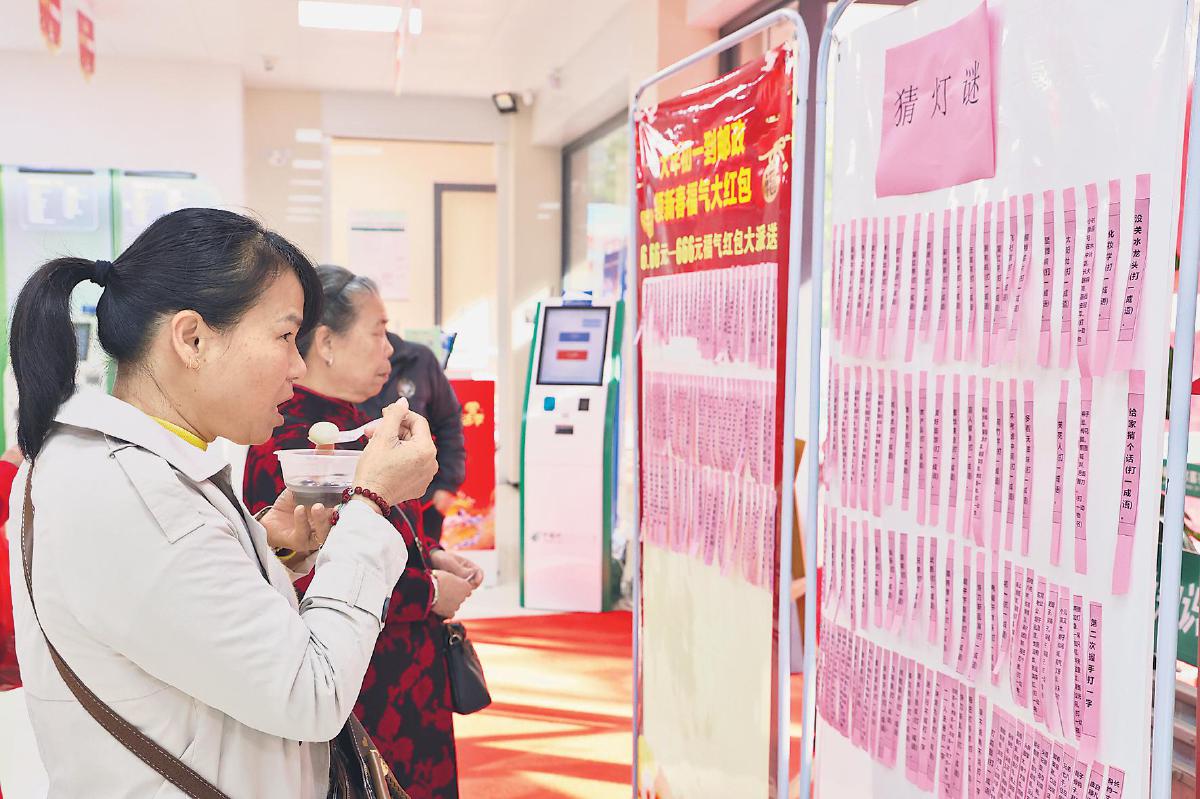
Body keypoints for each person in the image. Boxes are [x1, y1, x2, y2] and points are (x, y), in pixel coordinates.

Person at [7, 208, 439, 798]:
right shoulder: (131, 491)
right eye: (285, 336)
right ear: (192, 339)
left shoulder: (119, 468)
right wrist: (371, 503)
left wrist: (268, 549)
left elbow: (174, 619)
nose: (298, 367)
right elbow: (313, 695)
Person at [243, 264, 482, 799]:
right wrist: (430, 592)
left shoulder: (351, 423)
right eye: (377, 333)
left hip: (401, 671)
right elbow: (309, 572)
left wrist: (429, 555)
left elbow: (375, 527)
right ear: (327, 343)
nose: (389, 350)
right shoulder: (297, 440)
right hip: (362, 681)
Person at [359, 328, 467, 545]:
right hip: (362, 500)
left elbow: (449, 422)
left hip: (420, 501)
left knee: (423, 558)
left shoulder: (420, 359)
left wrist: (447, 485)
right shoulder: (346, 362)